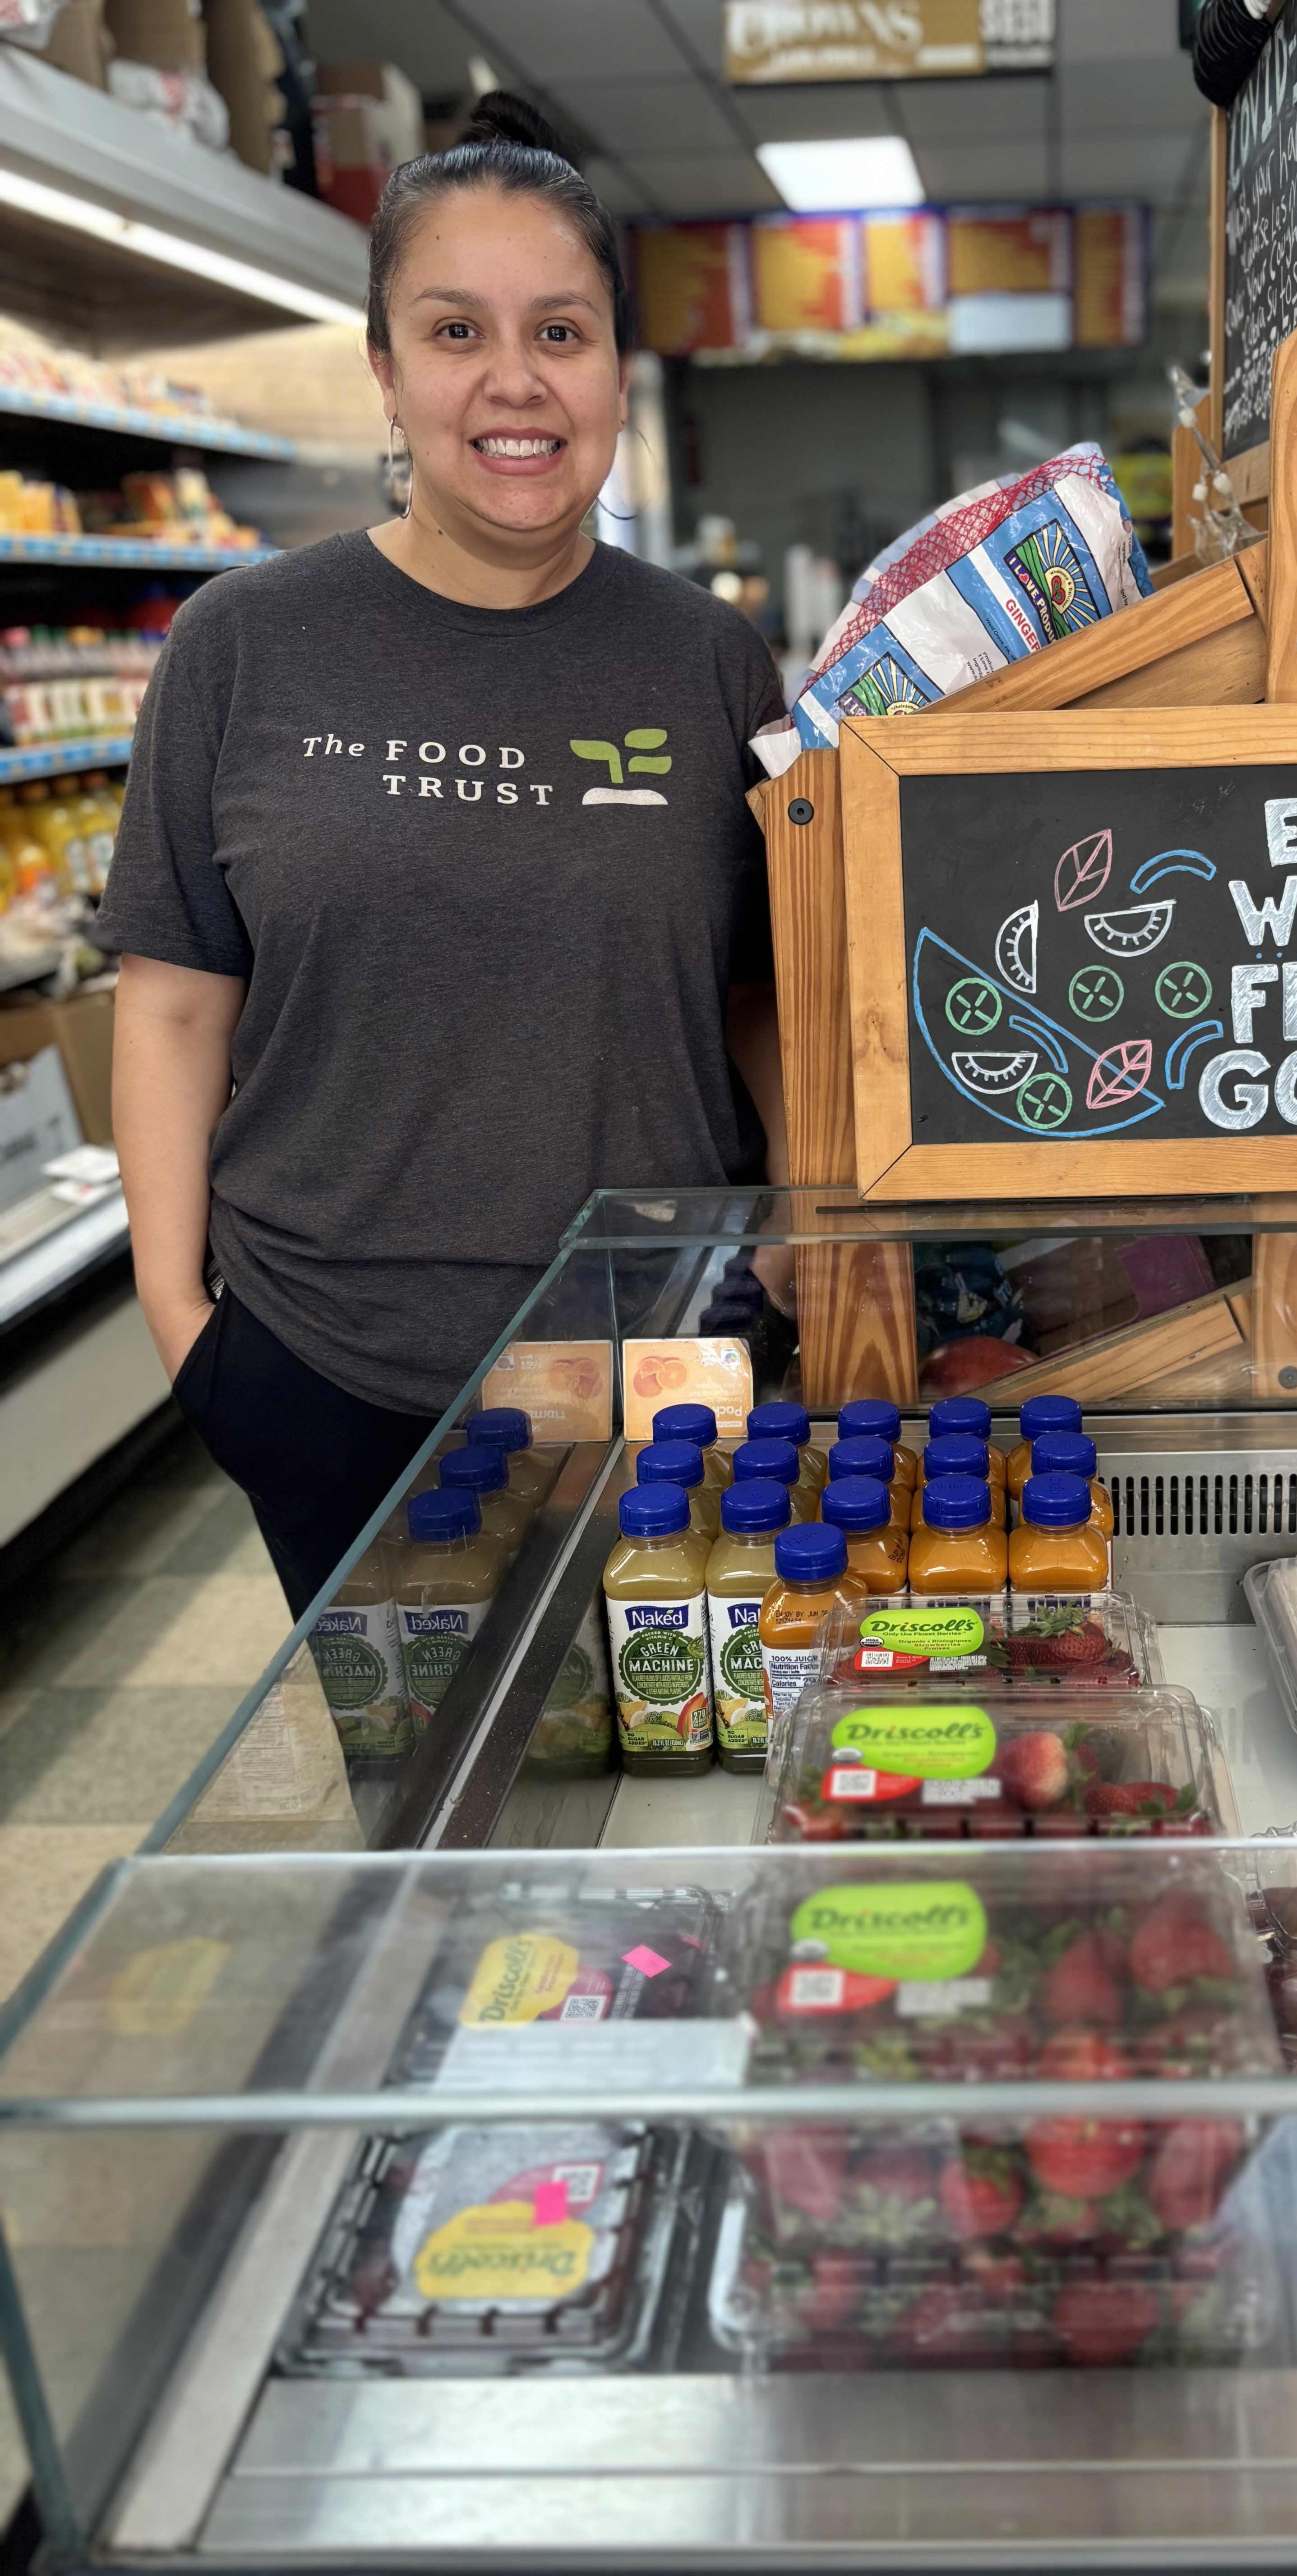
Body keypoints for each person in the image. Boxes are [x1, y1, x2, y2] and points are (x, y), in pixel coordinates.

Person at [97, 95, 788, 1617]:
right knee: (412, 1829)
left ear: (615, 368)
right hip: (330, 1366)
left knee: (683, 1799)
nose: (514, 381)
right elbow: (170, 1001)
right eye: (456, 331)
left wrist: (803, 1238)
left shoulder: (709, 665)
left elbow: (755, 997)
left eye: (561, 331)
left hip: (661, 1365)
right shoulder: (244, 647)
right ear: (387, 374)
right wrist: (183, 1327)